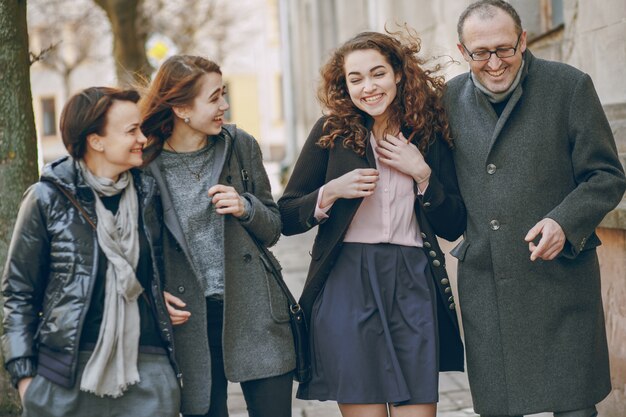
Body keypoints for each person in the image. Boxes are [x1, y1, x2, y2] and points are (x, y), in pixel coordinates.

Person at [444, 1, 626, 416]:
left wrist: (564, 221)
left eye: (505, 49)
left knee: (575, 408)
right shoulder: (448, 99)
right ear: (462, 51)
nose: (494, 63)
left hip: (560, 278)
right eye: (480, 53)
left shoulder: (569, 86)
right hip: (488, 282)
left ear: (523, 40)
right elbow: (447, 194)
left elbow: (607, 175)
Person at [278, 30, 466, 417]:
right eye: (355, 78)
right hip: (347, 282)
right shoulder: (331, 132)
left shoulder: (428, 133)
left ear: (398, 74)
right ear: (344, 85)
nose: (368, 87)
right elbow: (287, 215)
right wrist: (330, 191)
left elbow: (454, 224)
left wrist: (423, 174)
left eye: (377, 73)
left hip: (413, 280)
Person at [1, 87, 181, 417]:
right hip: (65, 374)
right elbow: (18, 292)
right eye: (131, 131)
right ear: (95, 140)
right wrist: (25, 377)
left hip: (145, 368)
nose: (142, 137)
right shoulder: (46, 198)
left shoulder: (146, 193)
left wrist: (157, 293)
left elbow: (151, 271)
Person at [139, 55, 295, 417]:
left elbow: (273, 228)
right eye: (214, 98)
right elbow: (137, 247)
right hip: (188, 319)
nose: (225, 105)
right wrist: (152, 290)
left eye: (223, 94)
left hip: (255, 309)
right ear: (180, 108)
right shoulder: (146, 165)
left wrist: (246, 207)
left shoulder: (241, 146)